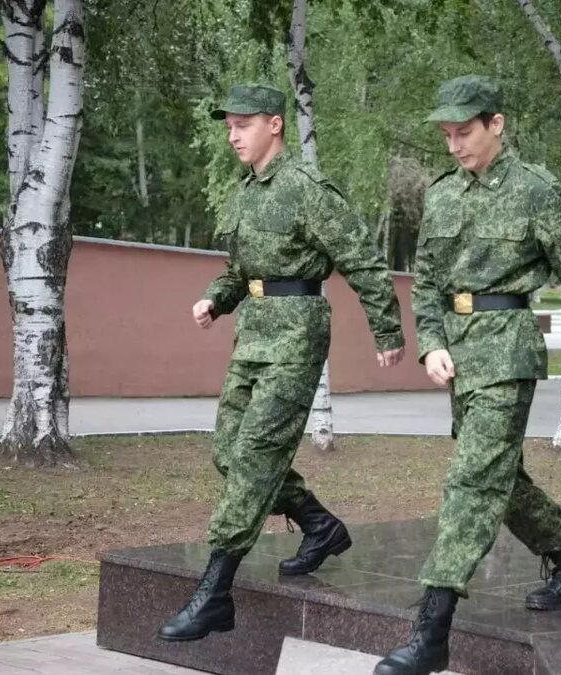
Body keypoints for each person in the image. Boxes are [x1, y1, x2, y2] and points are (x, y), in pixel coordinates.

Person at [374, 75, 561, 675]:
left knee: (470, 482)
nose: (455, 145)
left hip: (506, 353)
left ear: (497, 124)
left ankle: (432, 628)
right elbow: (427, 279)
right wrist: (429, 342)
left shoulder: (536, 194)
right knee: (498, 477)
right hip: (457, 355)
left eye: (465, 132)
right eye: (447, 135)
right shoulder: (442, 194)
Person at [157, 84, 406, 642]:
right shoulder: (243, 193)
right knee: (228, 452)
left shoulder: (306, 189)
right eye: (227, 126)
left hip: (296, 337)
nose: (232, 135)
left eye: (242, 124)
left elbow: (362, 259)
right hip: (252, 338)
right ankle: (320, 524)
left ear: (274, 124)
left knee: (252, 459)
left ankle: (216, 591)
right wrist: (215, 300)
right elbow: (237, 270)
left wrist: (387, 329)